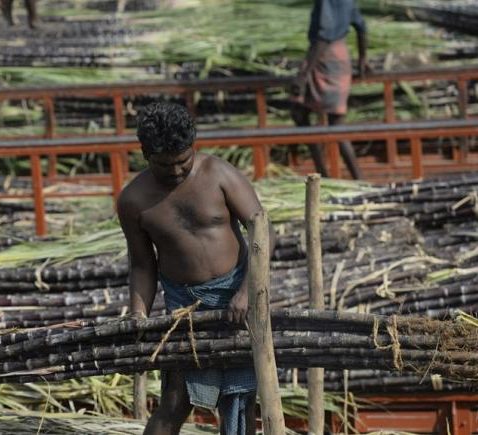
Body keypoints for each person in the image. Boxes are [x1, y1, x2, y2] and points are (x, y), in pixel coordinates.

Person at [117, 102, 275, 435]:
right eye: (164, 165)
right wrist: (138, 314)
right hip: (183, 307)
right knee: (175, 399)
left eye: (182, 161)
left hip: (236, 296)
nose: (175, 171)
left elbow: (262, 231)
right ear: (145, 154)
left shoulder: (218, 174)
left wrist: (247, 291)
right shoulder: (134, 199)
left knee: (239, 399)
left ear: (194, 146)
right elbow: (144, 264)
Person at [290, 0, 372, 180]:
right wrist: (363, 57)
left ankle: (339, 176)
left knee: (327, 122)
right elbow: (361, 26)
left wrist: (304, 75)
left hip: (325, 58)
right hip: (339, 57)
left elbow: (323, 36)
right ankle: (326, 173)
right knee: (305, 114)